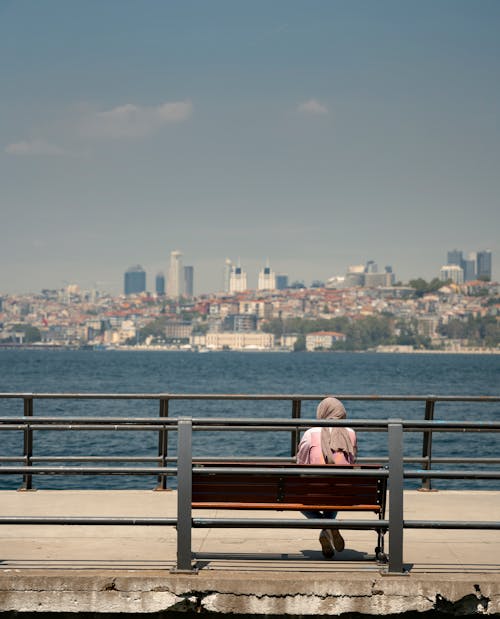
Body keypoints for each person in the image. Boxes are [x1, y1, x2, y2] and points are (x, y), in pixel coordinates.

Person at [296, 397, 357, 558]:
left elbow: (300, 462)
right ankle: (329, 526)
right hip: (342, 493)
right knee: (336, 487)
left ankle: (327, 526)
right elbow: (352, 461)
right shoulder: (350, 433)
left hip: (315, 491)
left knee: (298, 501)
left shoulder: (310, 433)